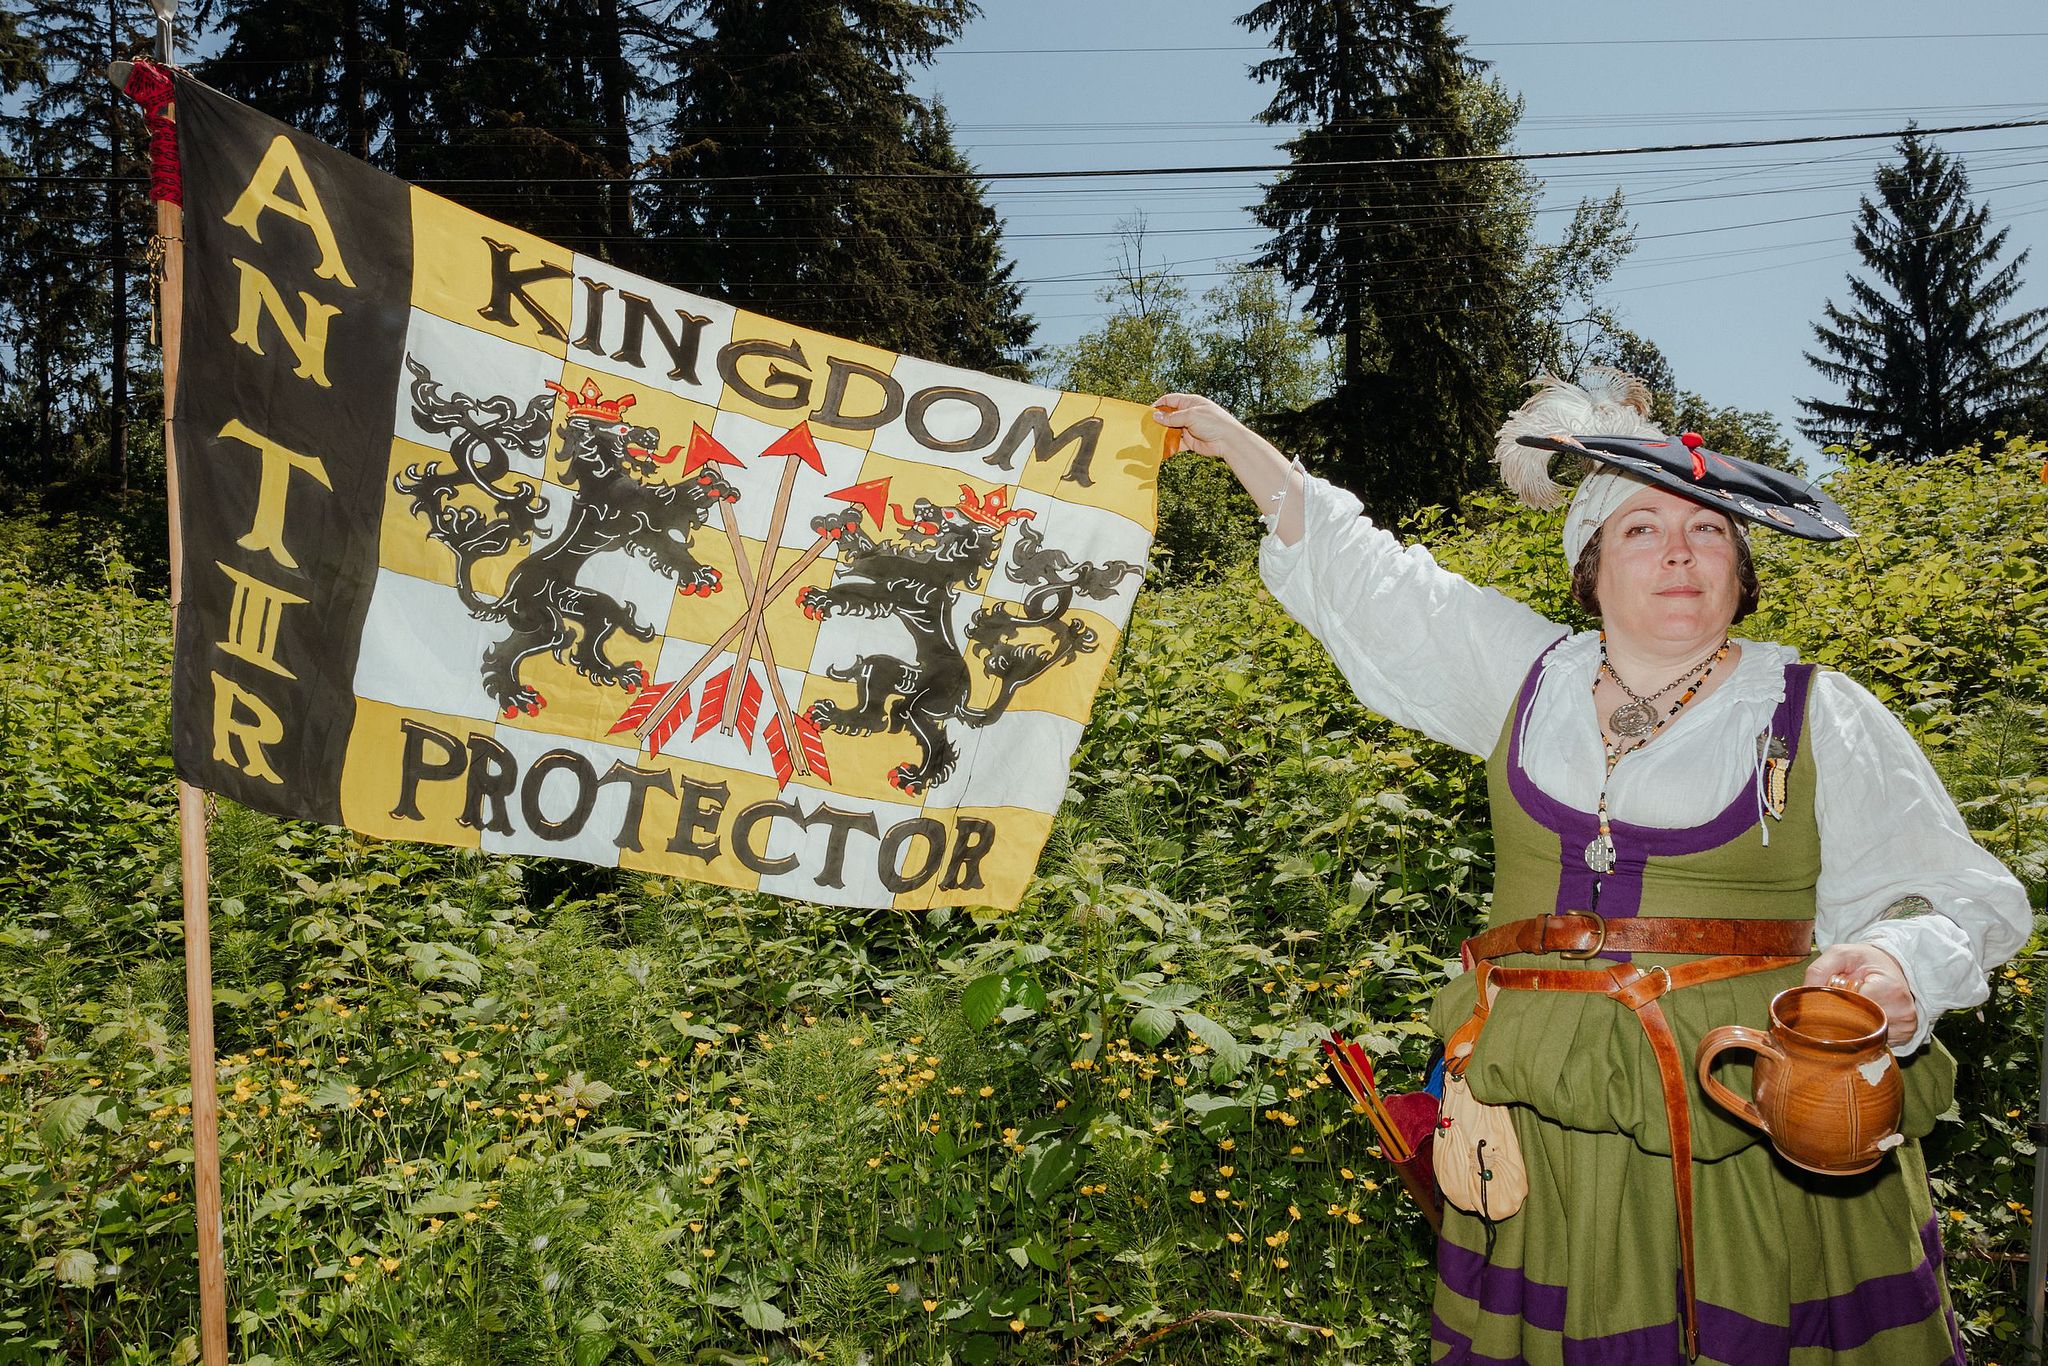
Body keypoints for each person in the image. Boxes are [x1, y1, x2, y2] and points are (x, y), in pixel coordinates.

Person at [1150, 375, 2031, 1366]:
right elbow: (1370, 578)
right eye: (1641, 529)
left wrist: (1900, 963)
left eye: (1707, 531)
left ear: (1741, 572)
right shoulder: (1530, 680)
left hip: (1747, 1119)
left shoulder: (1814, 711)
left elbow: (1957, 895)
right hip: (1537, 1117)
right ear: (1590, 568)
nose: (1677, 553)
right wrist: (1233, 442)